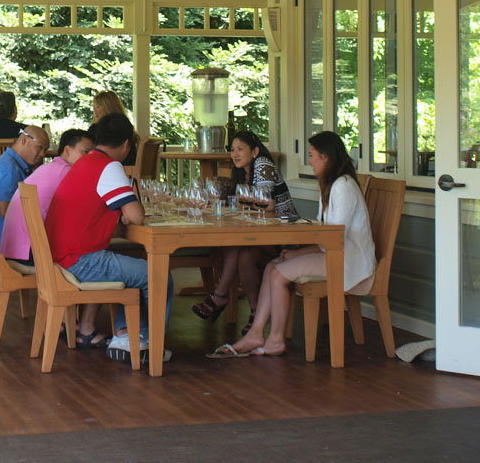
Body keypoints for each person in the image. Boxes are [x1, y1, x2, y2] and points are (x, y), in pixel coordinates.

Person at [208, 131, 375, 358]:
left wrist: (300, 253)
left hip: (347, 259)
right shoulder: (331, 184)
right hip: (334, 252)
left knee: (278, 273)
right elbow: (328, 233)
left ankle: (275, 339)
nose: (309, 161)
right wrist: (298, 252)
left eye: (312, 155)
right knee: (271, 267)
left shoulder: (343, 186)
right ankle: (256, 333)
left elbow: (335, 236)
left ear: (325, 157)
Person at [44, 112, 173, 364]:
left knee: (137, 265)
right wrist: (128, 212)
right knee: (158, 274)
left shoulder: (85, 161)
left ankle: (127, 336)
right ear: (127, 145)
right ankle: (145, 344)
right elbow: (135, 216)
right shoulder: (108, 166)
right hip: (79, 261)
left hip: (60, 258)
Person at [193, 131, 299, 332]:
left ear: (255, 151)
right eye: (232, 150)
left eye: (240, 149)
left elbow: (267, 205)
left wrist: (243, 202)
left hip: (284, 235)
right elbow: (244, 202)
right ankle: (255, 310)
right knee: (242, 255)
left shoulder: (263, 165)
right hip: (262, 234)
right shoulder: (242, 172)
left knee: (237, 244)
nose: (235, 154)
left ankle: (220, 296)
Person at [0, 128, 93, 265]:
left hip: (15, 250)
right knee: (91, 260)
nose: (90, 157)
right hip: (29, 254)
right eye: (85, 152)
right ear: (67, 150)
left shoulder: (49, 168)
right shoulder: (66, 172)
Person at [0, 125, 49, 244]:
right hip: (6, 245)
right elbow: (5, 211)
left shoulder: (8, 163)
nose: (43, 154)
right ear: (24, 140)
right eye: (40, 148)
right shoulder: (9, 169)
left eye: (45, 150)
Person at [87, 90, 138, 166]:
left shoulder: (97, 130)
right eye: (93, 107)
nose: (95, 111)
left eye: (98, 107)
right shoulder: (126, 126)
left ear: (108, 107)